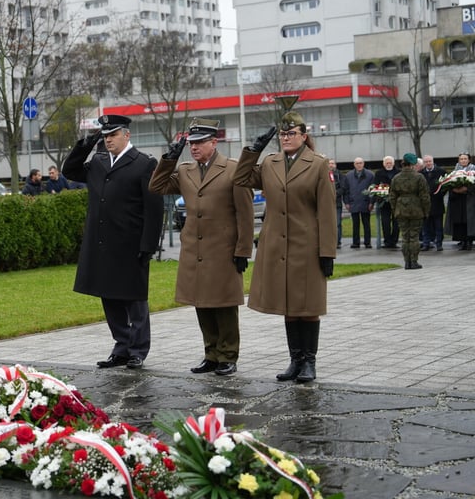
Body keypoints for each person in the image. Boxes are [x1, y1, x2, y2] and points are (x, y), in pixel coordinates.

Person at [233, 111, 337, 383]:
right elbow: (241, 178)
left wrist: (327, 251)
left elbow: (327, 211)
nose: (286, 138)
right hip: (277, 246)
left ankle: (309, 362)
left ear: (304, 136)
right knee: (289, 305)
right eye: (283, 134)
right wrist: (253, 150)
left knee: (308, 305)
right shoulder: (270, 163)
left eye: (292, 133)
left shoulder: (317, 164)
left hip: (307, 245)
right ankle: (295, 361)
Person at [148, 120, 254, 376]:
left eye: (199, 143)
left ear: (213, 143)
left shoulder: (232, 169)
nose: (193, 148)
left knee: (224, 305)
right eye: (191, 143)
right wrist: (168, 160)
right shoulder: (185, 170)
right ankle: (211, 354)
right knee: (202, 303)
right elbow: (156, 186)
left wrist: (243, 250)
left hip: (223, 250)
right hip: (195, 251)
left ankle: (228, 355)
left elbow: (245, 213)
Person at [62, 114, 164, 370]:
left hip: (130, 244)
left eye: (113, 135)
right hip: (103, 243)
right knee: (109, 297)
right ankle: (121, 346)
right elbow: (70, 171)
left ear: (127, 135)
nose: (108, 140)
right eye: (105, 136)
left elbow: (153, 209)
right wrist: (86, 144)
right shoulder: (97, 162)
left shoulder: (144, 163)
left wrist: (149, 245)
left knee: (134, 299)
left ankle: (138, 350)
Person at [389, 153, 431, 270]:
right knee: (414, 237)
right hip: (416, 209)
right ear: (413, 164)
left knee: (405, 237)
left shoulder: (396, 178)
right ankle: (414, 261)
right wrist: (426, 211)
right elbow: (424, 196)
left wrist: (395, 209)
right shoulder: (419, 177)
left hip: (401, 209)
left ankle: (407, 262)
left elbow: (392, 196)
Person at [444, 153, 475, 250]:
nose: (463, 160)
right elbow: (449, 183)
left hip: (470, 200)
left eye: (465, 159)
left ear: (469, 160)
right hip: (458, 201)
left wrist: (467, 189)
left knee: (469, 221)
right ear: (459, 160)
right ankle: (463, 241)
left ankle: (469, 241)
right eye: (461, 159)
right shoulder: (454, 171)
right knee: (460, 221)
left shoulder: (473, 170)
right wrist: (454, 189)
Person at [343, 157, 374, 249]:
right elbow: (346, 190)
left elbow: (372, 190)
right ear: (354, 164)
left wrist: (371, 202)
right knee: (355, 224)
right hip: (353, 202)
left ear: (363, 164)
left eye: (360, 163)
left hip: (366, 202)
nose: (359, 165)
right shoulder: (348, 175)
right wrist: (347, 202)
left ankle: (367, 242)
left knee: (366, 224)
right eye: (357, 163)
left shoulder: (370, 175)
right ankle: (355, 242)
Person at [421, 155, 447, 251]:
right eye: (426, 161)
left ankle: (439, 243)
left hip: (437, 202)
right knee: (425, 226)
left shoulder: (441, 172)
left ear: (433, 161)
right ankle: (426, 243)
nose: (428, 163)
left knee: (438, 225)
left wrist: (440, 194)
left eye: (430, 161)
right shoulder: (421, 174)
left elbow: (445, 185)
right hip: (425, 204)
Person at [373, 156, 400, 249]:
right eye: (387, 163)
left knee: (397, 222)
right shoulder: (379, 173)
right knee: (385, 222)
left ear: (393, 163)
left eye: (390, 163)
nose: (388, 164)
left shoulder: (399, 172)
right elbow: (375, 186)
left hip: (397, 202)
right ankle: (387, 241)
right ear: (384, 164)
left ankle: (394, 241)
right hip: (384, 202)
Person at [329, 158, 344, 249]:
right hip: (325, 204)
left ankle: (337, 241)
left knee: (337, 223)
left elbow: (343, 188)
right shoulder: (323, 174)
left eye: (332, 163)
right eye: (329, 163)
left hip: (336, 203)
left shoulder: (340, 176)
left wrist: (333, 193)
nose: (331, 165)